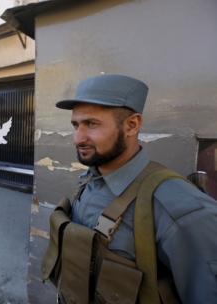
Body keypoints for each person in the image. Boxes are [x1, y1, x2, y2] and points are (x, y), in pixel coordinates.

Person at [52, 74, 217, 303]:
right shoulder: (89, 178)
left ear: (132, 125)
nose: (77, 138)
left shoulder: (180, 208)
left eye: (91, 124)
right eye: (75, 125)